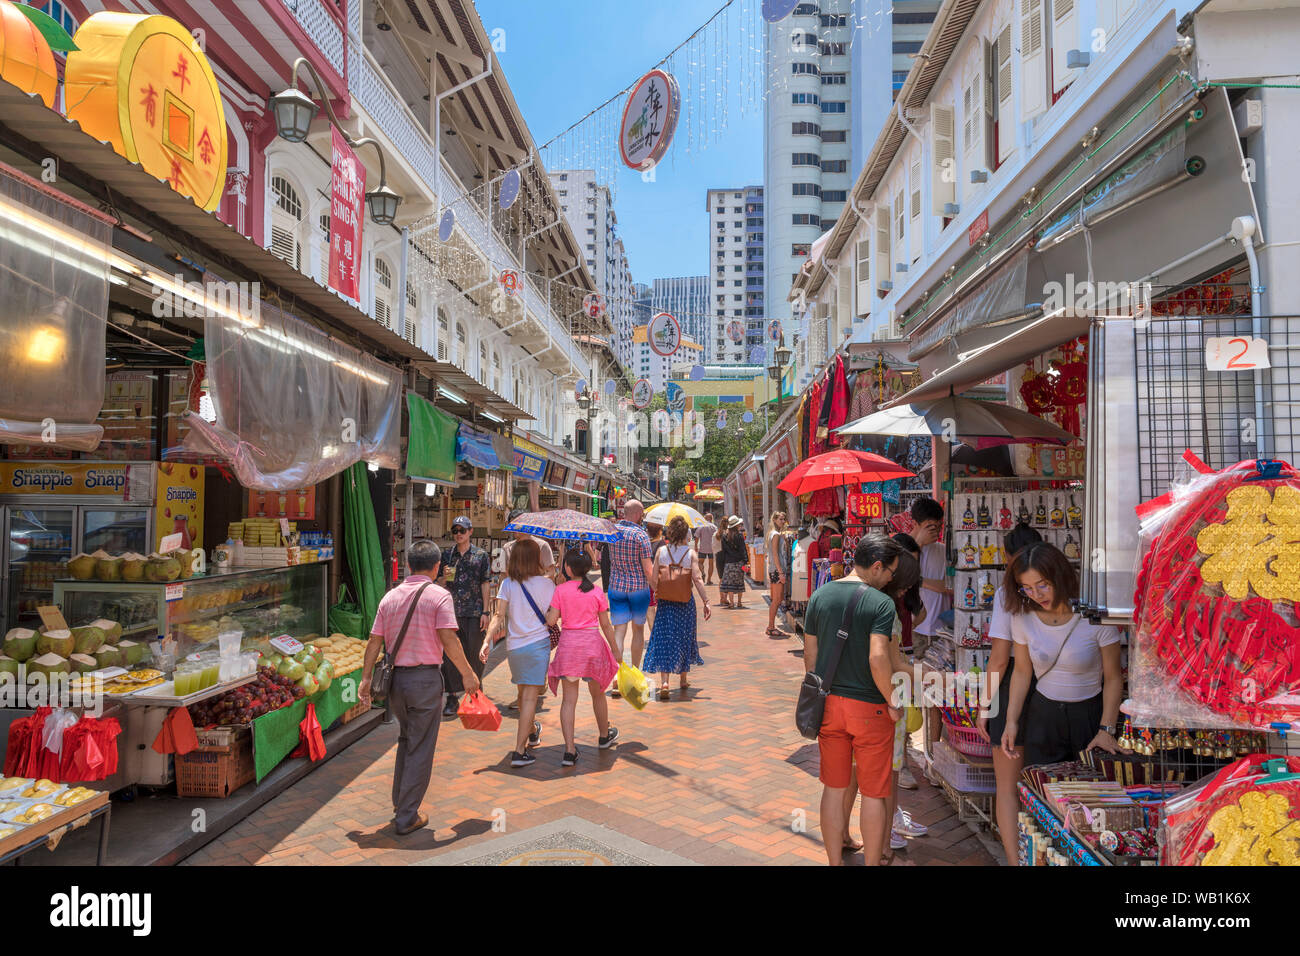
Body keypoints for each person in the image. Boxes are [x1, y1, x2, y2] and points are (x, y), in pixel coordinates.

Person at [359, 539, 480, 836]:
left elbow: (375, 641)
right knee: (421, 746)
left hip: (396, 683)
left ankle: (401, 805)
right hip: (425, 681)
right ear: (438, 566)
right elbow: (449, 640)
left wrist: (364, 679)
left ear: (409, 564)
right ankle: (406, 816)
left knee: (407, 739)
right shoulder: (439, 596)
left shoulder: (390, 598)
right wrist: (468, 674)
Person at [803, 534, 906, 866]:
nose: (891, 578)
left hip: (830, 706)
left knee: (834, 789)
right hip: (870, 709)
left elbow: (811, 657)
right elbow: (879, 659)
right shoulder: (881, 603)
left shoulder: (820, 595)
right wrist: (893, 700)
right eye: (890, 571)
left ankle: (835, 862)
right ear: (876, 566)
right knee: (874, 792)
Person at [1000, 542, 1128, 773]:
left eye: (1043, 585)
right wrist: (1011, 721)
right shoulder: (1022, 617)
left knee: (1093, 790)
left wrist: (1106, 729)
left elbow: (1113, 678)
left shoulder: (1094, 615)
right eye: (1026, 588)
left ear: (1059, 577)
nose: (1036, 595)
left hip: (1089, 715)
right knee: (1042, 794)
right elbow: (1021, 671)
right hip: (1043, 715)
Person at [978, 522, 1042, 866]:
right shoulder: (1062, 584)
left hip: (1014, 686)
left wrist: (984, 704)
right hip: (1051, 688)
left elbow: (1000, 660)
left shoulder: (1008, 593)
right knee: (1044, 783)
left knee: (1007, 787)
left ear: (1006, 557)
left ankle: (1015, 861)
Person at [481, 539, 556, 768]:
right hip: (538, 646)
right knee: (530, 698)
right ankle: (519, 751)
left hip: (514, 648)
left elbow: (498, 616)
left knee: (524, 695)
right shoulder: (547, 585)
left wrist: (486, 641)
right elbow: (553, 617)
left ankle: (532, 731)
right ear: (536, 559)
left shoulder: (508, 585)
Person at [545, 549, 621, 767]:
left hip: (569, 649)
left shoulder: (560, 590)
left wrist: (556, 591)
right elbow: (606, 625)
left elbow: (551, 621)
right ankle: (604, 736)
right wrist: (615, 650)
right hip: (592, 647)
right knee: (598, 695)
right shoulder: (596, 591)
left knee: (569, 700)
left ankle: (569, 751)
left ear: (567, 568)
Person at [643, 515, 712, 699]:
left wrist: (658, 590)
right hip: (685, 602)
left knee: (665, 638)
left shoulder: (661, 552)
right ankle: (682, 678)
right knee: (684, 637)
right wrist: (706, 601)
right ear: (686, 534)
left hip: (665, 603)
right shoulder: (691, 554)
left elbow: (653, 577)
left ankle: (664, 682)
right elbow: (697, 579)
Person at [437, 515, 491, 718]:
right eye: (455, 531)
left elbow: (485, 583)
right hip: (450, 612)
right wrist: (443, 577)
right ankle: (451, 696)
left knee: (475, 654)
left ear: (470, 532)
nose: (458, 534)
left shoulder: (480, 555)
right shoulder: (447, 555)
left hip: (474, 611)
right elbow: (439, 583)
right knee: (449, 656)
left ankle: (476, 693)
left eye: (462, 530)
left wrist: (486, 611)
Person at [606, 500, 654, 678]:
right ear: (638, 514)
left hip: (617, 586)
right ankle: (634, 672)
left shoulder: (612, 532)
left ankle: (618, 675)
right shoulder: (640, 536)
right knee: (638, 630)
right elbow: (648, 570)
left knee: (619, 630)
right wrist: (656, 588)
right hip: (638, 589)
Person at [908, 498, 951, 663]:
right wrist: (918, 543)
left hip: (942, 631)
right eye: (929, 527)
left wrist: (919, 581)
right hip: (915, 629)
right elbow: (901, 577)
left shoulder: (942, 550)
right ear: (915, 524)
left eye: (938, 527)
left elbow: (950, 586)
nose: (935, 532)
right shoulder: (901, 546)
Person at [766, 512, 790, 636]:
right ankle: (770, 626)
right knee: (776, 599)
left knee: (778, 598)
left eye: (784, 519)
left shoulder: (775, 534)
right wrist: (780, 572)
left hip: (775, 569)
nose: (783, 521)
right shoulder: (775, 535)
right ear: (774, 520)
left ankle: (771, 626)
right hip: (776, 570)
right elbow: (775, 554)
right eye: (780, 519)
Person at [717, 516, 749, 608]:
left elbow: (723, 551)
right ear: (736, 525)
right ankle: (739, 602)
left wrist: (722, 563)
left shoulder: (724, 537)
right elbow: (743, 550)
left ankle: (731, 603)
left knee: (730, 584)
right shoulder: (739, 536)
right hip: (739, 562)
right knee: (739, 582)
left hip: (728, 563)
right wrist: (746, 561)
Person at [695, 513, 718, 585]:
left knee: (700, 562)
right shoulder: (714, 527)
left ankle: (702, 572)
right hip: (712, 548)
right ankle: (708, 580)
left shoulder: (701, 526)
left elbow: (696, 536)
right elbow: (717, 538)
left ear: (705, 518)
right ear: (711, 519)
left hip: (703, 548)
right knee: (711, 564)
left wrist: (695, 545)